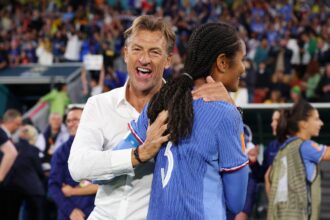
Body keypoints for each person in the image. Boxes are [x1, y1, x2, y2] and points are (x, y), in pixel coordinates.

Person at [69, 15, 231, 220]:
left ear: (168, 60)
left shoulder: (187, 110)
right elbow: (79, 167)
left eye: (154, 52)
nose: (144, 59)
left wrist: (232, 108)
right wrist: (139, 154)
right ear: (126, 54)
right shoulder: (99, 104)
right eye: (137, 49)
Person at [115, 22, 249, 219]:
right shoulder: (226, 115)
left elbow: (114, 163)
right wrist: (235, 111)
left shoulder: (161, 102)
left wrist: (142, 153)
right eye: (242, 59)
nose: (243, 68)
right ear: (222, 62)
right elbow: (236, 201)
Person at [267, 99, 330, 220]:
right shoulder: (305, 147)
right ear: (303, 124)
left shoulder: (282, 150)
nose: (321, 123)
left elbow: (267, 177)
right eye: (316, 119)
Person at [49, 107, 97, 220]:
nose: (71, 124)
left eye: (75, 119)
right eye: (69, 121)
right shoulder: (60, 152)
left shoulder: (100, 147)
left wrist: (72, 191)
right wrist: (70, 211)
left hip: (98, 212)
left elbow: (104, 185)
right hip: (70, 215)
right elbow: (54, 186)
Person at [4, 125, 45, 220]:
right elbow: (40, 172)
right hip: (32, 192)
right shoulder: (33, 150)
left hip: (10, 190)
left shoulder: (11, 148)